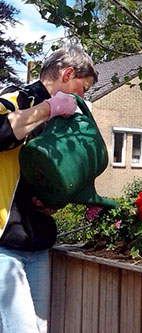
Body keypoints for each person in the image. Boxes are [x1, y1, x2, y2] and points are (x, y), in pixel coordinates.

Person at [0, 44, 98, 332]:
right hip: (4, 245)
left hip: (39, 246)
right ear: (67, 74)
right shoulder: (15, 98)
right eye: (82, 89)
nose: (82, 98)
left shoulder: (64, 124)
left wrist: (56, 200)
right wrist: (49, 108)